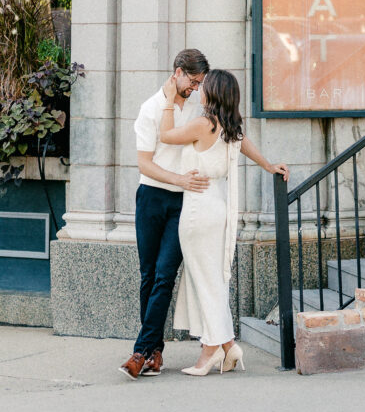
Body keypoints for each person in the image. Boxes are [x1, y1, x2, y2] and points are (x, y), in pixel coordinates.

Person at [159, 68, 289, 376]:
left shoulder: (204, 124)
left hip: (197, 210)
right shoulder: (231, 126)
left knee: (206, 282)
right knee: (212, 278)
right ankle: (229, 346)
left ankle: (211, 351)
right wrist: (269, 165)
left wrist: (168, 100)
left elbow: (165, 135)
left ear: (211, 93)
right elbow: (246, 146)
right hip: (217, 207)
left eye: (203, 86)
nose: (200, 90)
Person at [119, 49, 210, 380]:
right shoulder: (150, 109)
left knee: (164, 275)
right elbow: (145, 164)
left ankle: (140, 351)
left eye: (201, 83)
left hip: (182, 204)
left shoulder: (198, 108)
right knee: (148, 276)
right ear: (178, 73)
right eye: (193, 82)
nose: (197, 89)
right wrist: (179, 180)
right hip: (152, 199)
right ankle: (155, 352)